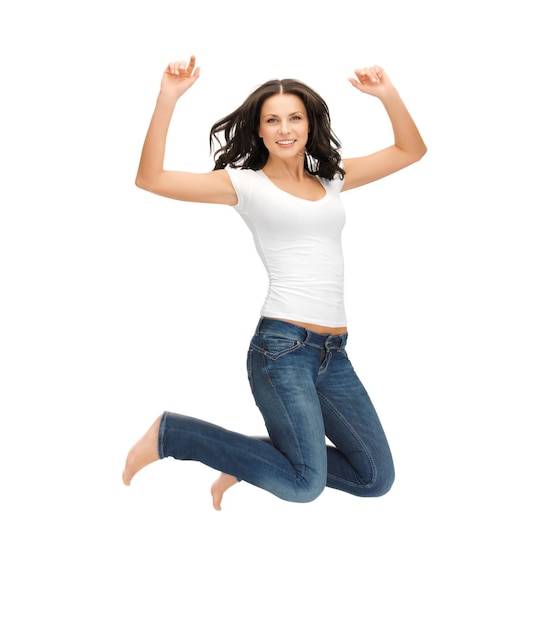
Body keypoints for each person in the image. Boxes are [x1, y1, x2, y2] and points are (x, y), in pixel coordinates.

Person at [122, 55, 426, 510]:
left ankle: (251, 459)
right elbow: (151, 179)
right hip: (281, 349)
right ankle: (173, 433)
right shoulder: (243, 184)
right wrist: (168, 98)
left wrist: (387, 95)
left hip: (334, 354)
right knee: (305, 486)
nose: (285, 129)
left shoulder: (332, 178)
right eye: (273, 120)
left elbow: (410, 151)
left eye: (294, 118)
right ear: (260, 130)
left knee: (374, 478)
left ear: (308, 125)